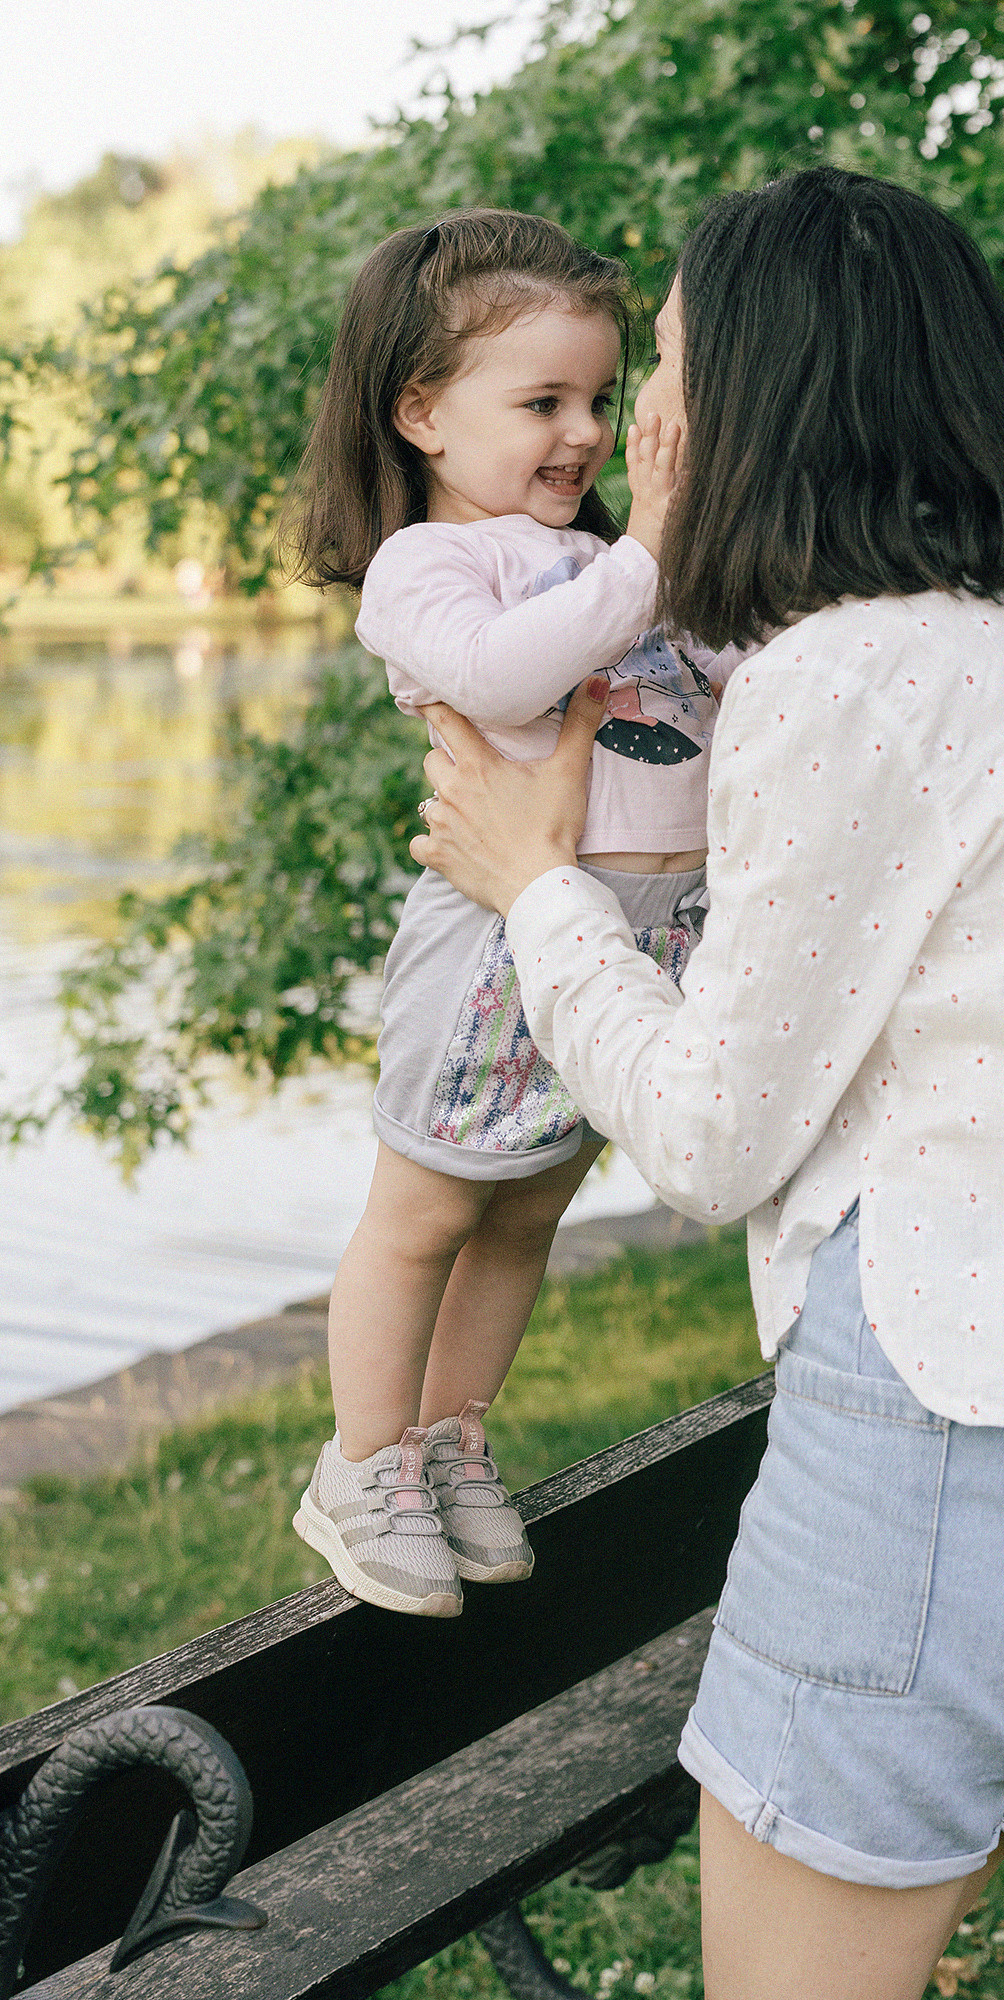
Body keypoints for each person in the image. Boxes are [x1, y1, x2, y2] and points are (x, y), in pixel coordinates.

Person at [412, 167, 1004, 1999]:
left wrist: (538, 889)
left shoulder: (848, 676)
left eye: (664, 364)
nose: (643, 417)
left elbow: (708, 1138)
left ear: (761, 390)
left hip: (949, 1449)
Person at [282, 209, 735, 1618]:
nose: (587, 431)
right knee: (427, 1208)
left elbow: (707, 668)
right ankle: (360, 1466)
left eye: (600, 399)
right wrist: (651, 540)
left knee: (529, 1209)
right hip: (497, 933)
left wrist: (684, 560)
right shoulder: (434, 569)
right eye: (542, 401)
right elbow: (503, 680)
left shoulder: (602, 554)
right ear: (420, 412)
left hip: (633, 934)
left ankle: (449, 1437)